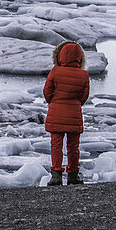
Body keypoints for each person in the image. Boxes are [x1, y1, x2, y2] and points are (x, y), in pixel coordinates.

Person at [43, 40, 90, 185]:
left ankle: (56, 176)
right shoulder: (83, 75)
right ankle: (73, 175)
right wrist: (75, 104)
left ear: (59, 56)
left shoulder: (55, 71)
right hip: (74, 114)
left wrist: (54, 102)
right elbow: (84, 96)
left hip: (56, 112)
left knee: (56, 145)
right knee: (73, 147)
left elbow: (47, 92)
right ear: (80, 57)